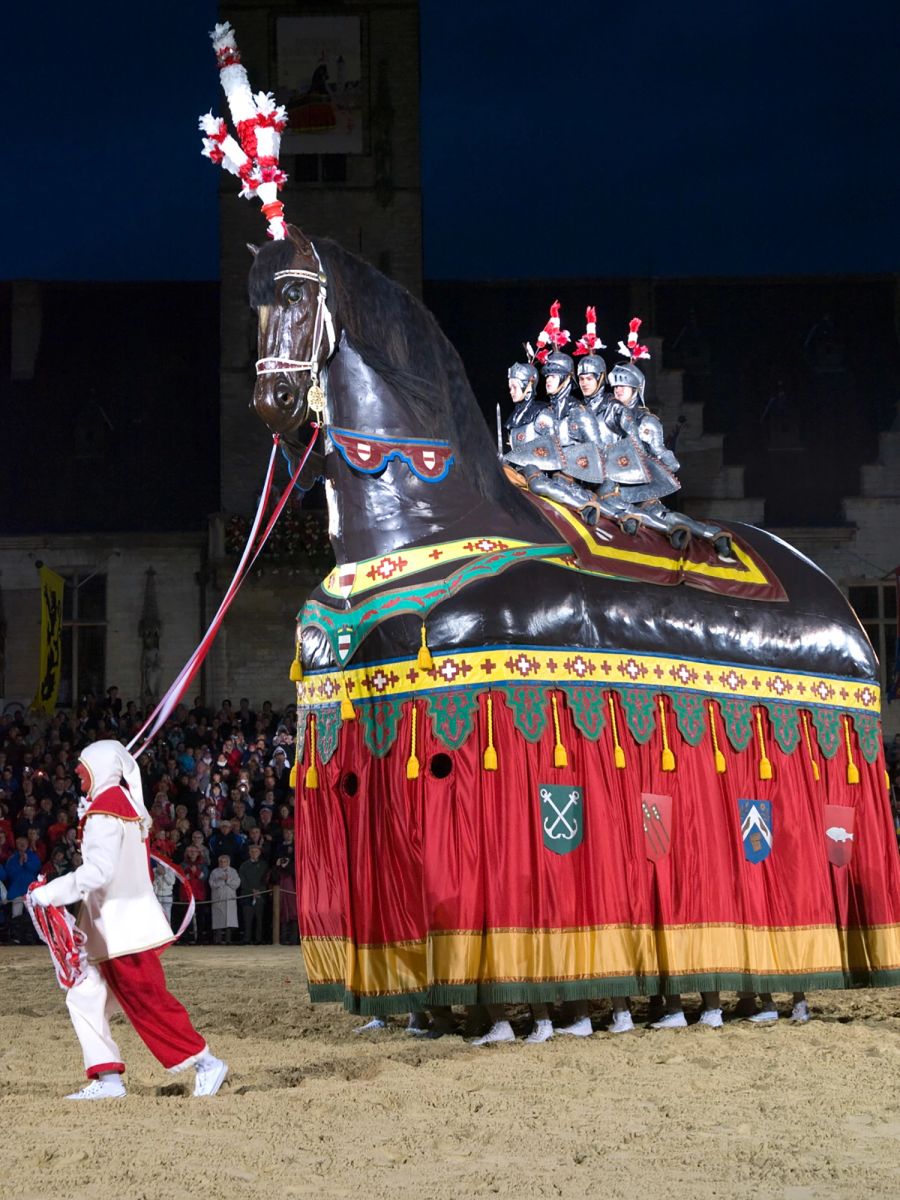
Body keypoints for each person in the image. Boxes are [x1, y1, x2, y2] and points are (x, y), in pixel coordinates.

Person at [28, 740, 228, 1099]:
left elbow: (98, 872)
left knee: (148, 1000)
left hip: (120, 928)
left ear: (101, 767)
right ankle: (107, 1079)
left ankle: (205, 1062)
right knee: (84, 996)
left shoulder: (107, 811)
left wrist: (50, 894)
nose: (77, 771)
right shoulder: (120, 806)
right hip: (111, 926)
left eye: (83, 764)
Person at [209, 853, 240, 944]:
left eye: (225, 861)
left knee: (229, 920)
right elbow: (212, 884)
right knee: (218, 920)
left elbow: (236, 884)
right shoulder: (214, 872)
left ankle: (228, 940)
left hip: (229, 898)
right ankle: (217, 940)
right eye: (221, 862)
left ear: (228, 862)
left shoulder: (233, 871)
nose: (223, 863)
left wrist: (227, 880)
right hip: (218, 898)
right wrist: (221, 881)